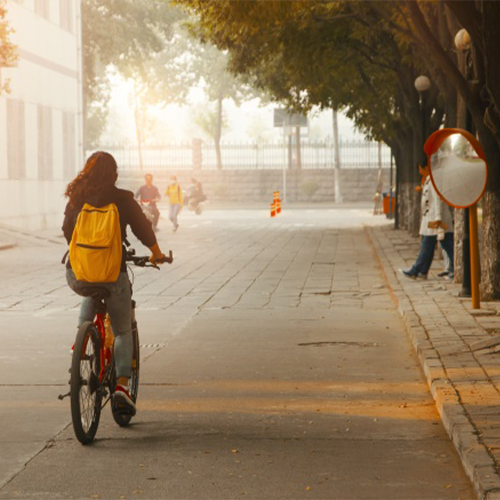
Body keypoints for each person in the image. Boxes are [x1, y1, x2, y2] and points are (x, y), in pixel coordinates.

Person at [62, 152, 167, 415]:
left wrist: (85, 255)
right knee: (122, 331)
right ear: (114, 174)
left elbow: (66, 229)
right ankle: (121, 387)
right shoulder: (122, 199)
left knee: (89, 285)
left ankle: (81, 340)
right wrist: (156, 252)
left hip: (78, 273)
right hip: (113, 274)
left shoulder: (77, 197)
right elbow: (142, 227)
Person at [400, 164, 454, 280]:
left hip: (436, 220)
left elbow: (437, 200)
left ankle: (416, 270)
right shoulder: (429, 180)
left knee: (429, 243)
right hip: (433, 218)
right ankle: (423, 271)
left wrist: (438, 218)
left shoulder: (434, 180)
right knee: (436, 244)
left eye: (421, 168)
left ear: (427, 167)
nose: (419, 171)